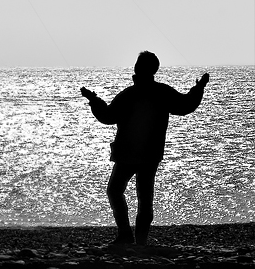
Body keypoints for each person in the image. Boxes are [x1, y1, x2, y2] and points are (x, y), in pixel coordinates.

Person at [80, 52, 210, 245]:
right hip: (150, 154)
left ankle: (126, 236)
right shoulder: (161, 92)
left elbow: (108, 116)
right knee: (144, 197)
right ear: (154, 70)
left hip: (128, 155)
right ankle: (139, 241)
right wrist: (199, 88)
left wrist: (94, 100)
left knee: (116, 191)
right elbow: (185, 105)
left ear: (138, 68)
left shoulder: (130, 94)